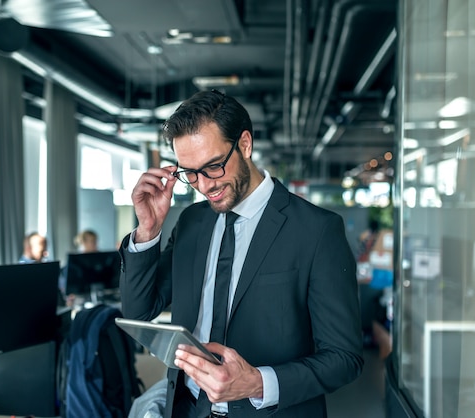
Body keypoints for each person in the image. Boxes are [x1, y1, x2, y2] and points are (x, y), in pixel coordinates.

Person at [119, 90, 363, 417]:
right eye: (189, 173)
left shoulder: (317, 231)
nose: (204, 186)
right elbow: (139, 311)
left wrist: (256, 383)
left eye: (214, 166)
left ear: (245, 145)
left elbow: (344, 358)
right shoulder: (191, 221)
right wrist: (147, 231)